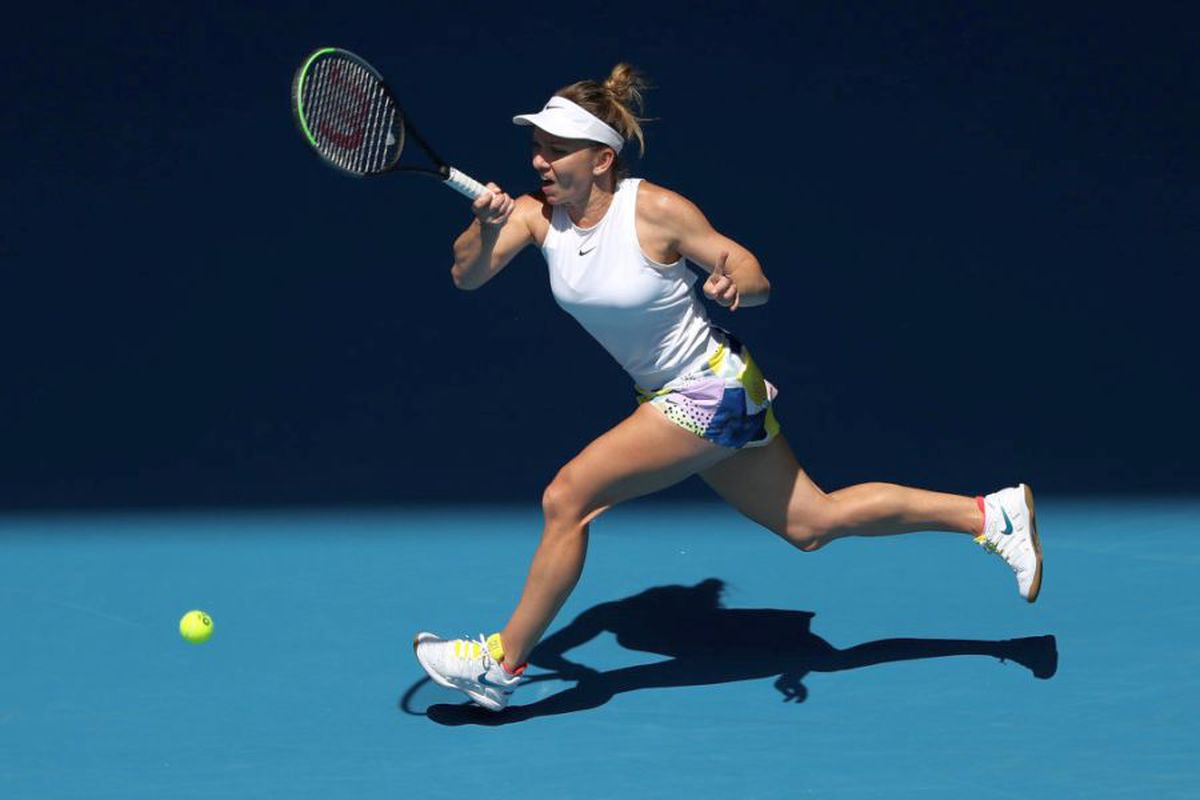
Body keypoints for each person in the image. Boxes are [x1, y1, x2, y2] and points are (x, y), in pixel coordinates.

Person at [413, 64, 1042, 712]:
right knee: (812, 524)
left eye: (555, 148)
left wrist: (737, 283)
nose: (539, 159)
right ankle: (990, 514)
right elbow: (468, 275)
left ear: (602, 159)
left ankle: (501, 664)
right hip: (677, 396)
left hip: (711, 387)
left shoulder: (653, 209)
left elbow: (747, 267)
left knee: (568, 497)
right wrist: (487, 225)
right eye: (536, 146)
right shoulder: (533, 215)